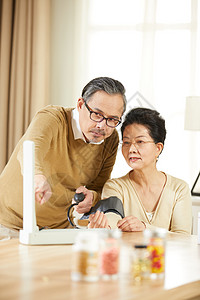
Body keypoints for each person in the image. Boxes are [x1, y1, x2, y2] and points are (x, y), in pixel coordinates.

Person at [0, 77, 126, 236]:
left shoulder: (110, 139)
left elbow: (99, 186)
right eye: (96, 114)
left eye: (112, 119)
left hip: (58, 229)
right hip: (10, 224)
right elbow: (30, 149)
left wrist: (92, 197)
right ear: (80, 105)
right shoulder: (52, 118)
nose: (102, 125)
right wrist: (37, 177)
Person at [88, 107, 192, 235]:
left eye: (140, 141)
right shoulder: (115, 187)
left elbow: (184, 238)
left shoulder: (179, 189)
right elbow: (112, 219)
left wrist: (145, 228)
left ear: (158, 148)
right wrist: (104, 226)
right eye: (126, 142)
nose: (131, 149)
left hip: (167, 256)